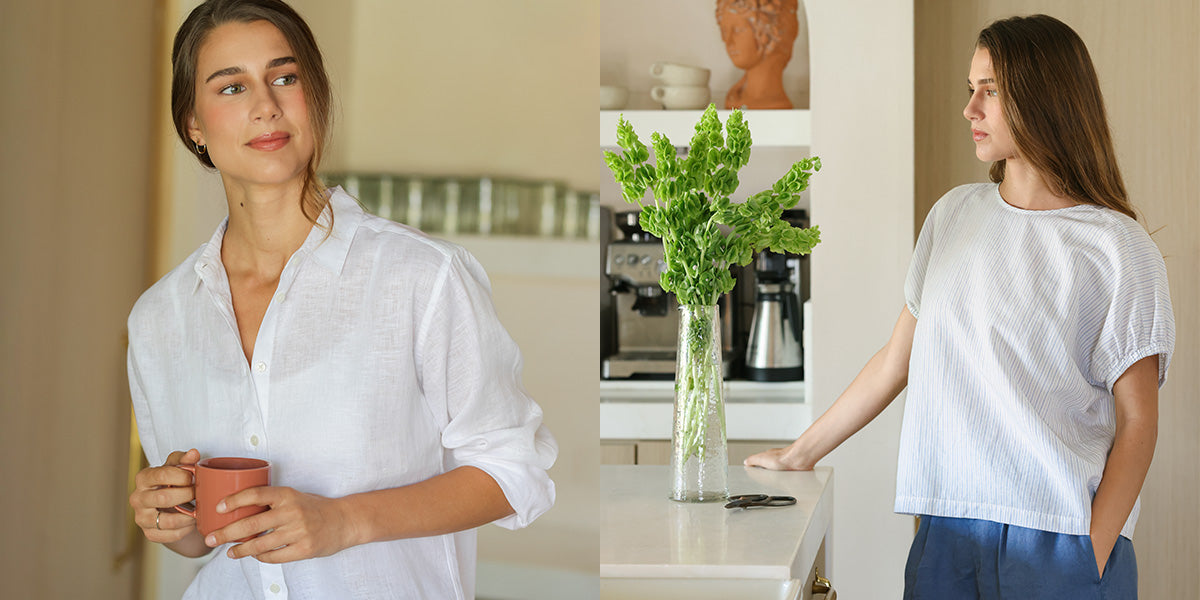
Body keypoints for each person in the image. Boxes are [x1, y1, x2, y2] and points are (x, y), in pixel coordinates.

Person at [125, 1, 556, 598]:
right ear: (193, 123)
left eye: (285, 77)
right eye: (231, 87)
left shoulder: (423, 278)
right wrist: (171, 519)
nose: (266, 105)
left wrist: (344, 520)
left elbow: (513, 472)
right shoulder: (160, 318)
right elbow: (205, 538)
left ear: (315, 97)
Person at [746, 14, 1174, 599]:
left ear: (1045, 96)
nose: (970, 109)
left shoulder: (1117, 248)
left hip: (1060, 541)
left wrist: (1091, 552)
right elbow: (897, 358)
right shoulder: (953, 217)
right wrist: (801, 453)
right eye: (970, 89)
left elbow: (1139, 421)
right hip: (945, 531)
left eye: (990, 91)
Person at [715, 0, 798, 110]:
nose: (728, 41)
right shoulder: (734, 98)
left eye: (738, 30)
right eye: (724, 31)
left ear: (769, 31)